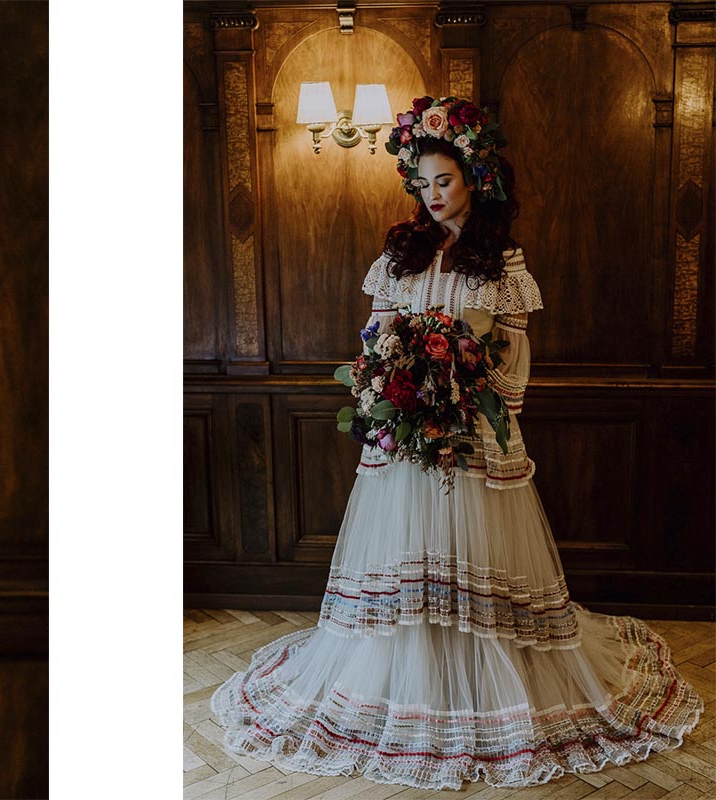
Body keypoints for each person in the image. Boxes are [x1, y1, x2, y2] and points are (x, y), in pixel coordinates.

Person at [209, 95, 702, 789]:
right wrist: (392, 390)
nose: (432, 195)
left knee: (475, 555)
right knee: (407, 555)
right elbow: (375, 339)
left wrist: (463, 395)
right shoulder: (400, 253)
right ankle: (407, 682)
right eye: (423, 182)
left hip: (475, 433)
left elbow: (512, 357)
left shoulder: (500, 259)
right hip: (403, 437)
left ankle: (487, 687)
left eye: (445, 180)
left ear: (474, 176)